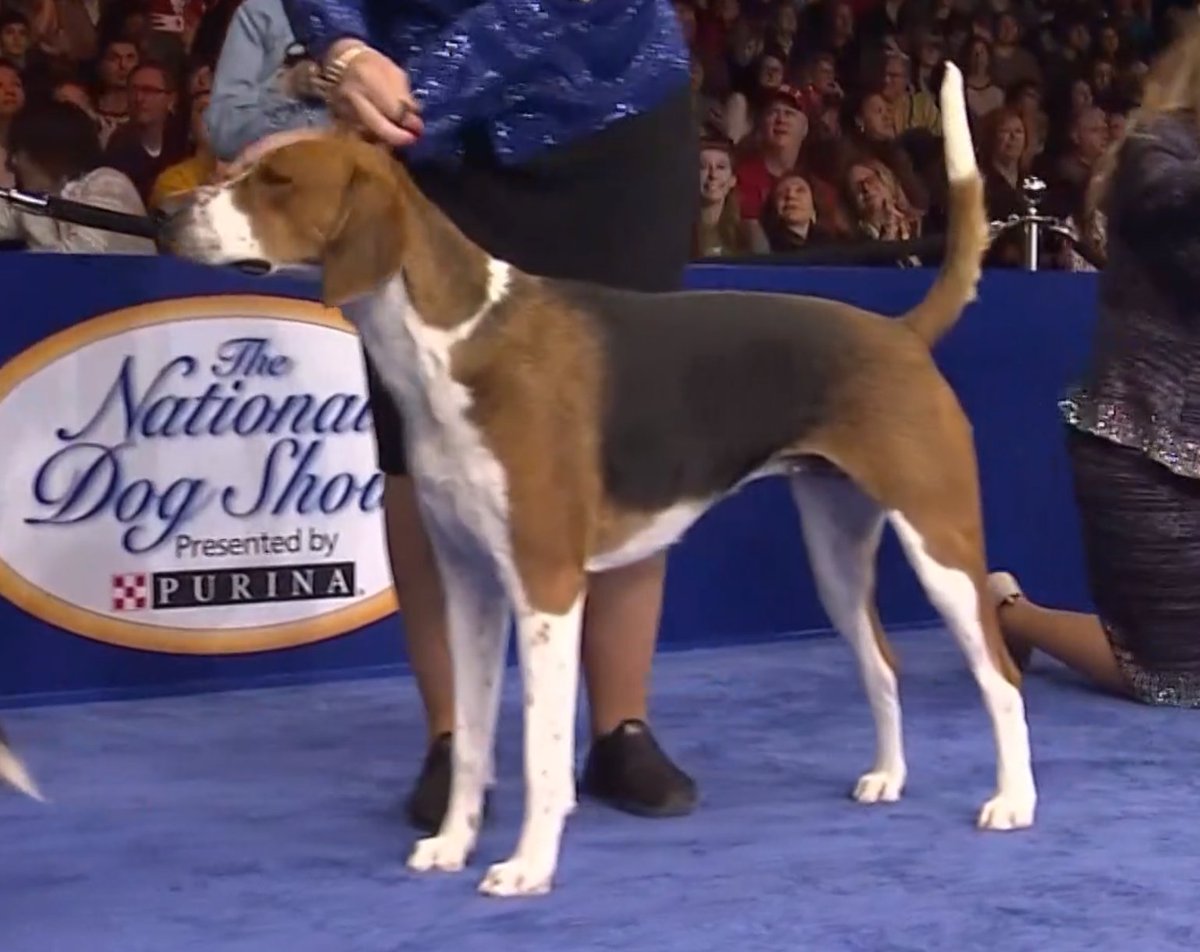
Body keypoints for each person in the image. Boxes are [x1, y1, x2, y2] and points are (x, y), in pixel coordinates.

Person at [278, 0, 699, 832]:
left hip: (601, 119)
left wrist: (403, 96)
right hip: (422, 144)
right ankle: (454, 739)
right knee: (417, 433)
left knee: (616, 424)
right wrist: (345, 46)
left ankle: (622, 726)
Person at [988, 19, 1200, 708]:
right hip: (1141, 445)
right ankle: (1011, 614)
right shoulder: (1156, 151)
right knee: (1175, 676)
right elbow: (1171, 206)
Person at [0, 100, 155, 254]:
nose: (10, 163)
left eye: (16, 151)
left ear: (47, 153)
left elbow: (79, 261)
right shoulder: (33, 200)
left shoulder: (110, 184)